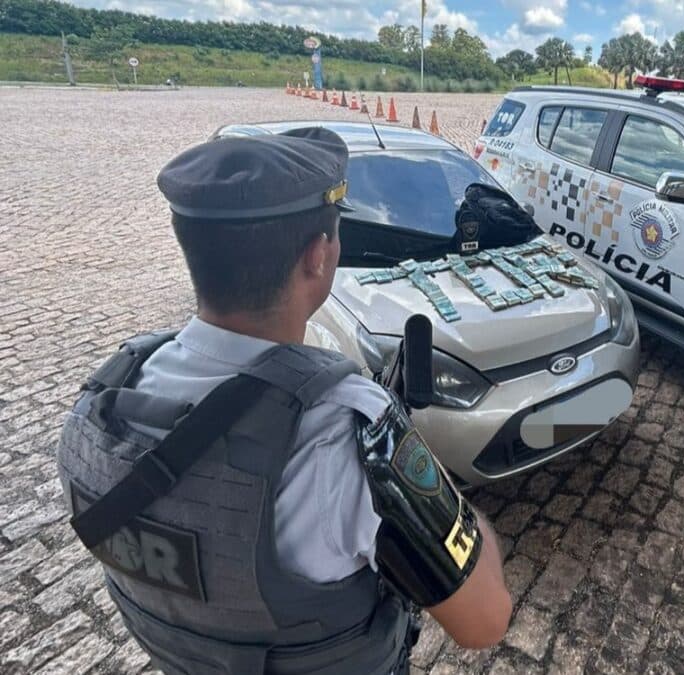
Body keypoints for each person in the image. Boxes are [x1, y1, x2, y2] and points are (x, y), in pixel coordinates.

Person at [54, 127, 511, 674]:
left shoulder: (102, 401)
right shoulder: (343, 432)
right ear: (319, 256)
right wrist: (453, 509)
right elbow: (485, 621)